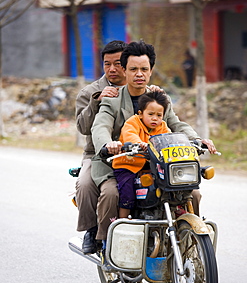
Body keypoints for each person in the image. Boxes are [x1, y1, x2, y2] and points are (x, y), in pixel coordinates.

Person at [91, 40, 217, 249]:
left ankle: (189, 239)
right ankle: (108, 242)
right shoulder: (112, 100)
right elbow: (100, 126)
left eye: (144, 69)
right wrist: (108, 144)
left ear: (150, 71)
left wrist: (196, 140)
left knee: (192, 191)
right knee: (111, 193)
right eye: (133, 69)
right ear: (124, 70)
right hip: (121, 161)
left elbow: (176, 124)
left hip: (156, 163)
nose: (139, 74)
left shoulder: (158, 98)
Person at [75, 40, 127, 254]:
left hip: (137, 154)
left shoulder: (138, 87)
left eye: (118, 63)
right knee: (85, 185)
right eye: (107, 64)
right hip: (97, 155)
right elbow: (83, 127)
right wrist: (96, 101)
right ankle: (91, 229)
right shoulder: (90, 91)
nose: (112, 69)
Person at [112, 90, 171, 219]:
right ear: (140, 113)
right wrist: (139, 143)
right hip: (128, 166)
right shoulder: (132, 122)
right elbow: (130, 135)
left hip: (151, 167)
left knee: (170, 186)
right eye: (150, 114)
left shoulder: (163, 127)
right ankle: (123, 222)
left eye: (159, 115)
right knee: (127, 191)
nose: (155, 118)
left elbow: (168, 138)